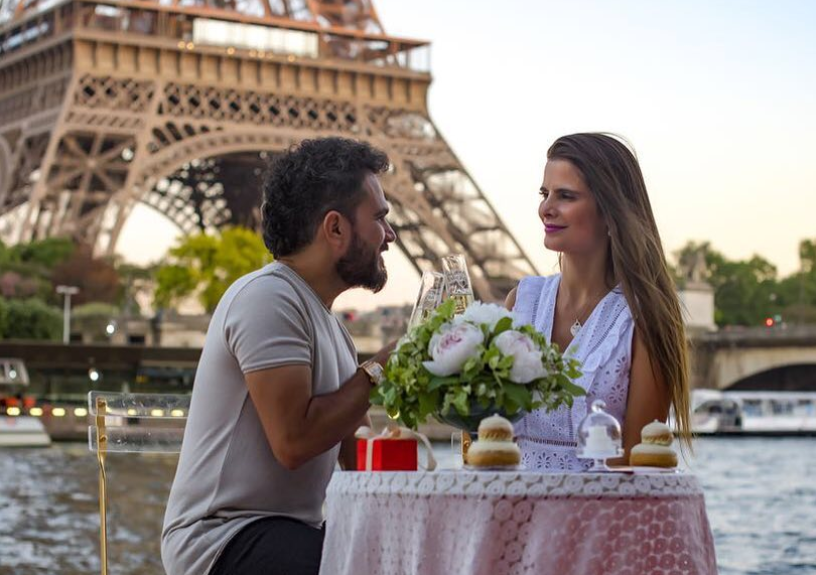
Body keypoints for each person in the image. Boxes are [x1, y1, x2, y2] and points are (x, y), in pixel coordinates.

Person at [161, 137, 397, 575]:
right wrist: (386, 364)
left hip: (283, 535)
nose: (390, 234)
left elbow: (356, 455)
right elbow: (294, 442)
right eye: (380, 218)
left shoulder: (334, 332)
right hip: (221, 539)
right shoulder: (267, 297)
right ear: (336, 228)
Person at [505, 133, 691, 471]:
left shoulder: (642, 318)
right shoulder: (521, 302)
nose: (546, 208)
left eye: (566, 196)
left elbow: (638, 465)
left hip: (599, 519)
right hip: (513, 514)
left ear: (609, 212)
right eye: (545, 194)